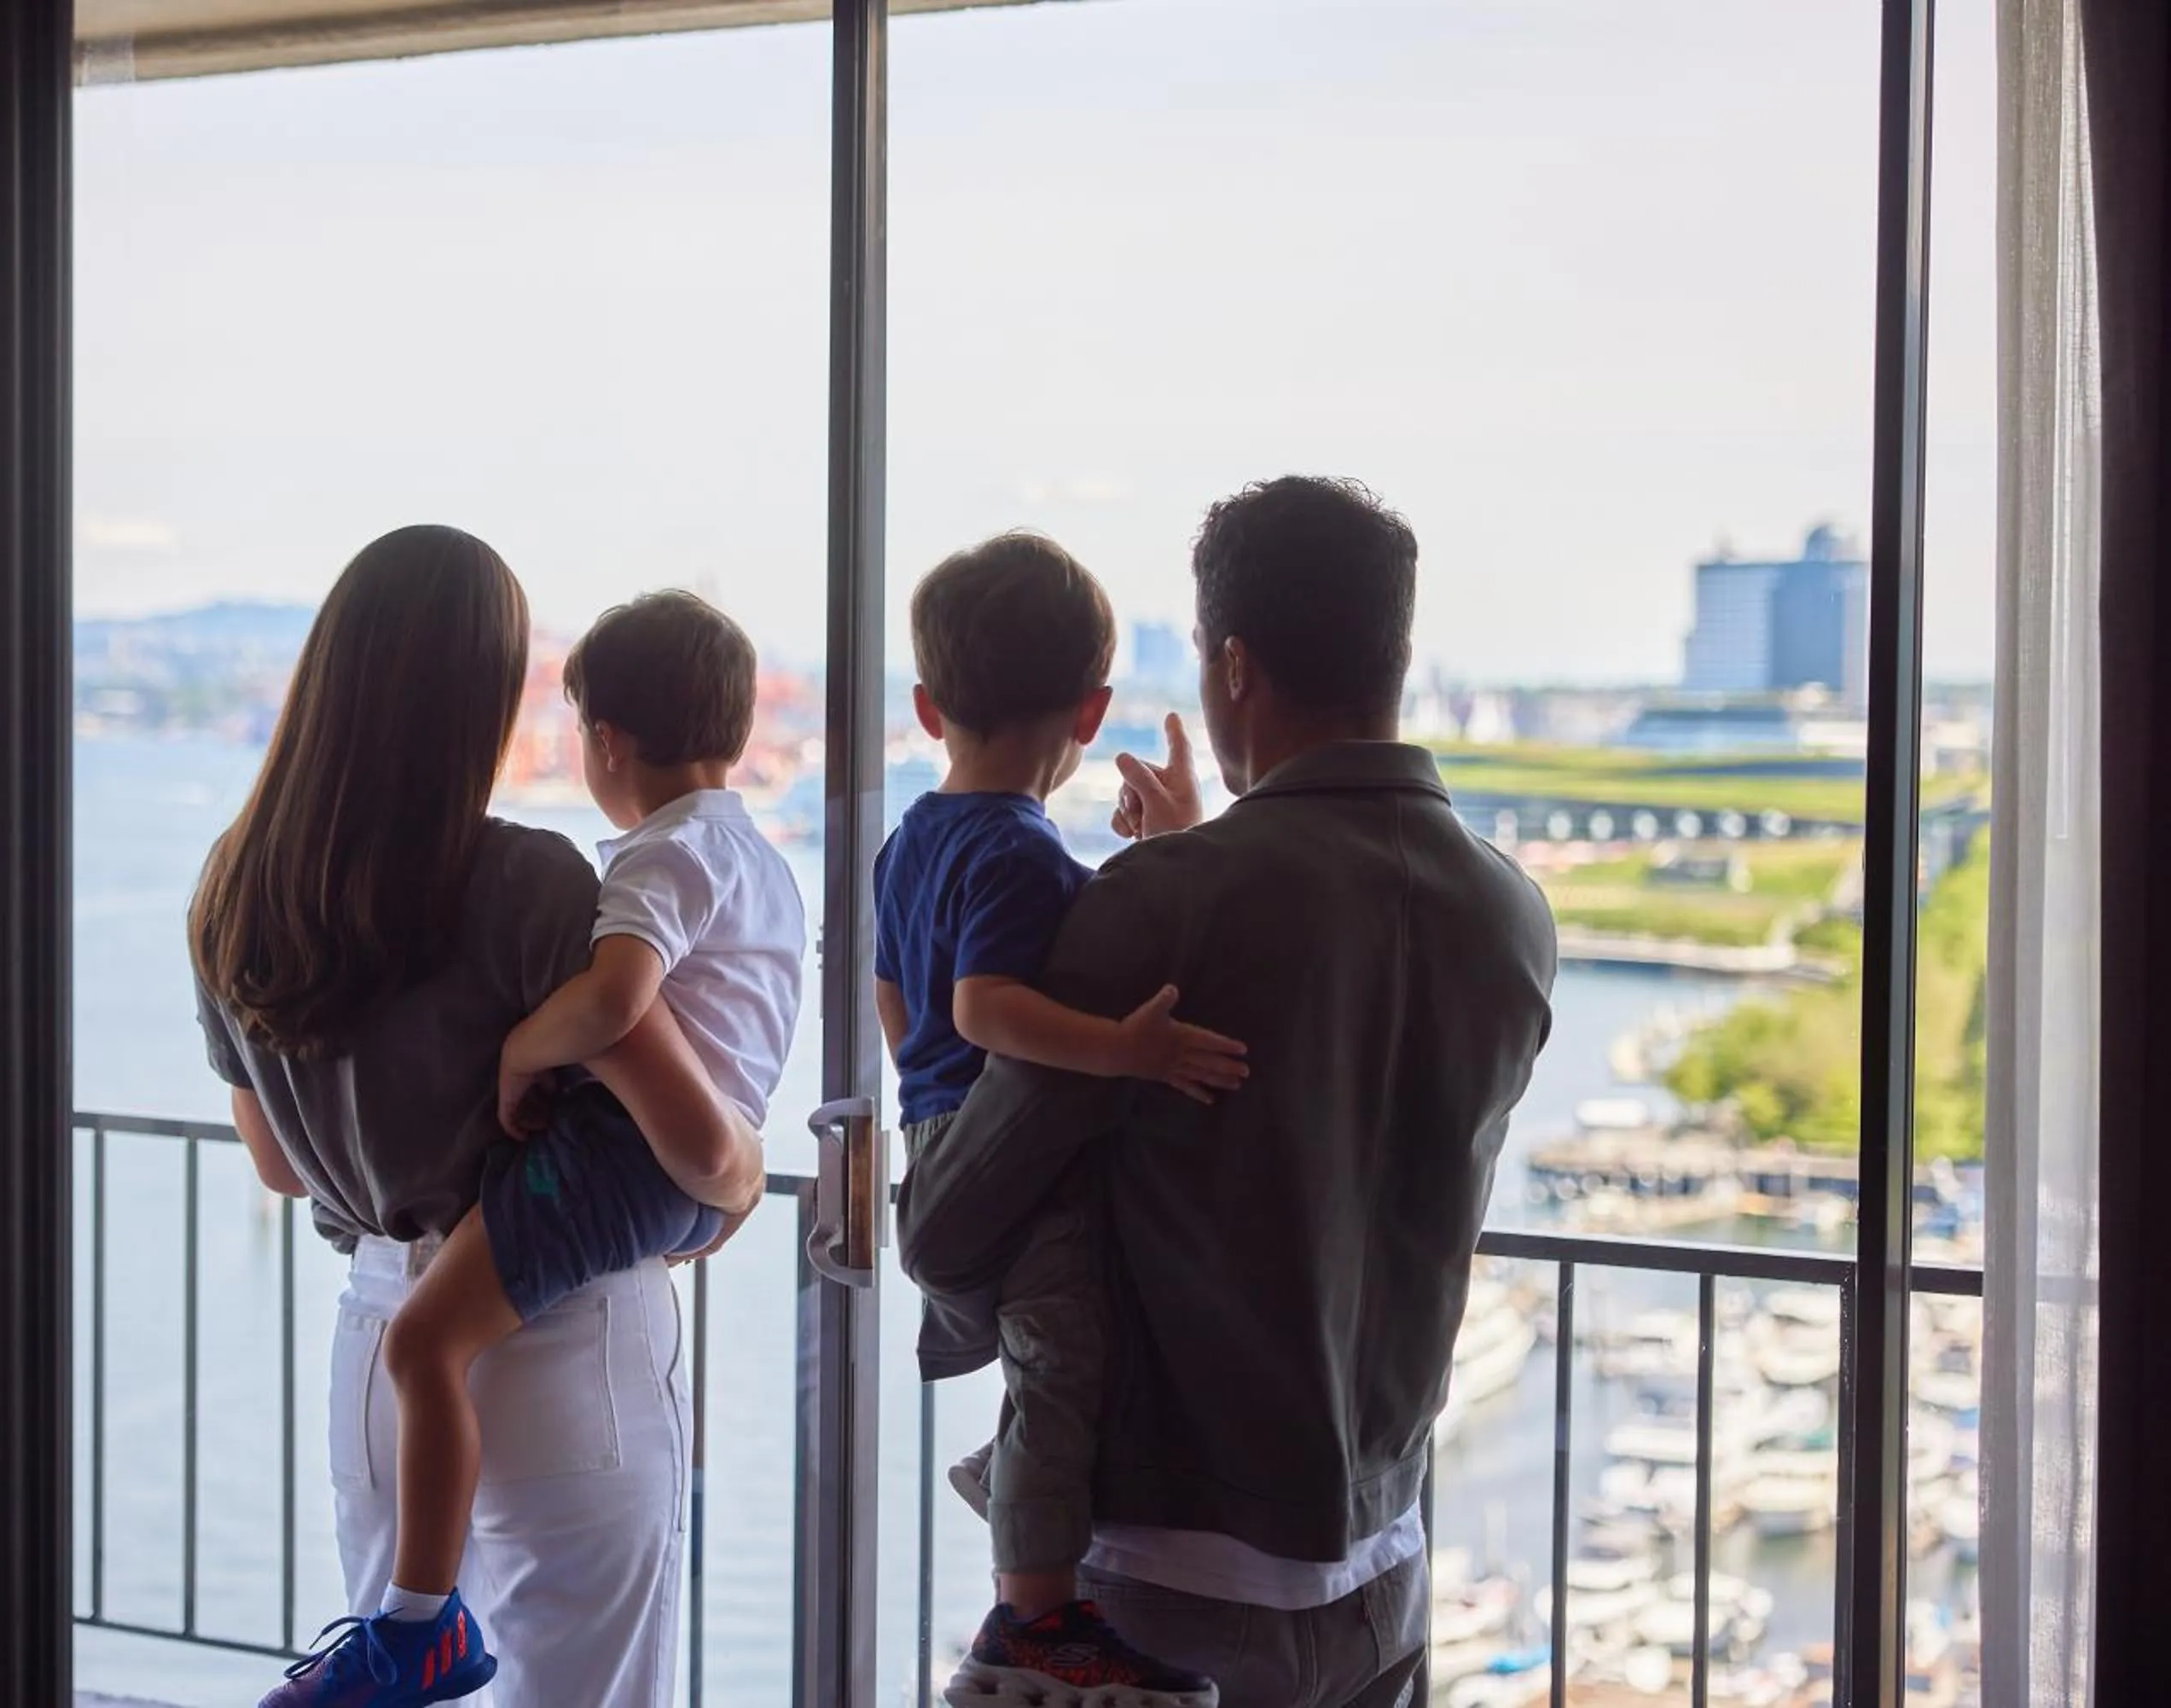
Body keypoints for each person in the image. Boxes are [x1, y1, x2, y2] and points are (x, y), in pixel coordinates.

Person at [902, 479, 1558, 1708]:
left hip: (1169, 1586)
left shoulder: (1163, 904)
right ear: (1394, 653)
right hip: (1387, 1563)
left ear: (1236, 665)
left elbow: (948, 1223)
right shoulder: (1511, 913)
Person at [190, 526, 767, 1708]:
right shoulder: (531, 884)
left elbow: (278, 1165)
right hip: (569, 1347)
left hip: (380, 1347)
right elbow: (702, 1149)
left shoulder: (229, 888)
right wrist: (747, 1179)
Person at [358, 589, 804, 1699]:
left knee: (420, 1344)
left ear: (606, 742)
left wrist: (519, 1051)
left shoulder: (664, 853)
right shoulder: (760, 857)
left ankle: (417, 1624)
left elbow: (613, 1002)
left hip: (625, 1159)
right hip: (683, 1174)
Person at [876, 532, 1248, 1707]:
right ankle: (1034, 1617)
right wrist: (1123, 1049)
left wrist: (929, 1086)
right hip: (998, 1160)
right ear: (1092, 714)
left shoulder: (913, 838)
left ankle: (1016, 1481)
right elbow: (990, 1003)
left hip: (937, 1135)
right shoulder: (1021, 849)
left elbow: (902, 992)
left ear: (930, 706)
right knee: (1065, 1350)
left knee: (1049, 1358)